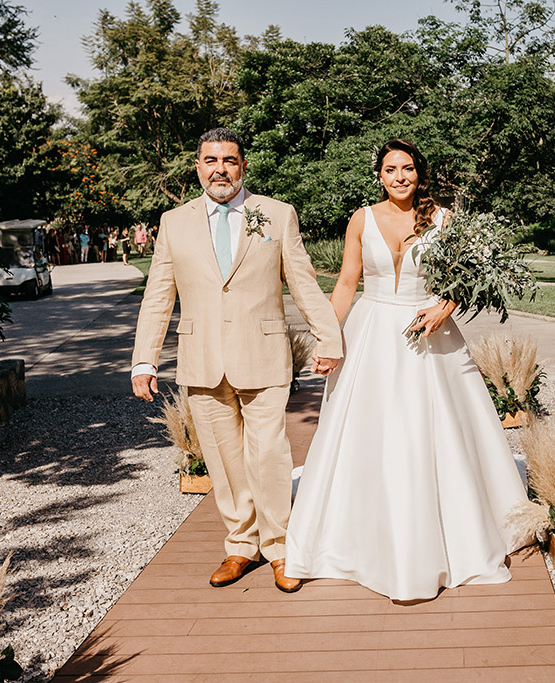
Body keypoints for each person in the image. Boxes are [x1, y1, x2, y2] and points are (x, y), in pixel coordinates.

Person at [285, 139, 530, 602]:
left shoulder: (443, 219)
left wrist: (445, 307)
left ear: (420, 173)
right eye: (391, 169)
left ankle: (447, 536)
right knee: (369, 430)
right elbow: (346, 283)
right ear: (379, 175)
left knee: (430, 429)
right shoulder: (361, 219)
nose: (400, 177)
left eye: (408, 168)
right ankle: (360, 539)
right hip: (372, 331)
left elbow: (466, 278)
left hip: (428, 331)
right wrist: (328, 338)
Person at [131, 127, 343, 593]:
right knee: (224, 461)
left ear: (243, 166)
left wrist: (328, 338)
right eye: (211, 160)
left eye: (229, 160)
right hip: (201, 359)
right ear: (197, 167)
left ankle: (280, 547)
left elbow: (303, 282)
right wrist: (144, 360)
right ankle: (241, 546)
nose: (220, 169)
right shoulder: (173, 222)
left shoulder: (277, 214)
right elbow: (158, 294)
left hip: (263, 355)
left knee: (269, 455)